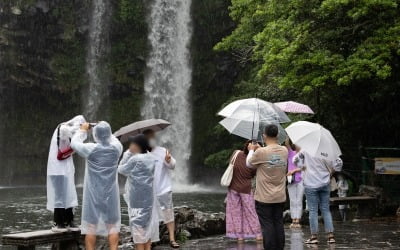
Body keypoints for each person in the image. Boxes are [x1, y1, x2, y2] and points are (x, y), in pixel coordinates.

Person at [71, 121, 123, 250]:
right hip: (111, 195)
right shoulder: (117, 148)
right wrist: (104, 126)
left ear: (96, 135)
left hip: (93, 195)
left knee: (91, 227)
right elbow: (113, 138)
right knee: (112, 226)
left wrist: (82, 130)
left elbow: (74, 144)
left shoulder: (91, 149)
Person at [246, 124, 288, 250]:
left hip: (264, 198)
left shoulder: (261, 152)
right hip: (280, 196)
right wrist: (259, 150)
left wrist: (251, 150)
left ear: (264, 136)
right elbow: (271, 156)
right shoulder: (284, 151)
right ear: (277, 135)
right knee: (278, 223)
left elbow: (248, 164)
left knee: (267, 225)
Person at [118, 134, 160, 250]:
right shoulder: (152, 158)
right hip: (148, 198)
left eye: (132, 144)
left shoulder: (134, 159)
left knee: (138, 229)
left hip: (136, 199)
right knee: (147, 228)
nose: (130, 146)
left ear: (138, 146)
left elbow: (121, 169)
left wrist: (126, 155)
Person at [293, 151, 343, 244]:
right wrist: (331, 172)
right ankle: (330, 236)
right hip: (325, 183)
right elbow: (339, 163)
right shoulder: (328, 150)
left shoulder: (306, 150)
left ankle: (314, 237)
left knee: (313, 210)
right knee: (325, 209)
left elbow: (295, 160)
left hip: (310, 183)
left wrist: (302, 167)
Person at [46, 115, 86, 232]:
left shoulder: (69, 131)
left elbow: (74, 143)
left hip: (66, 169)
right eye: (79, 125)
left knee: (69, 194)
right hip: (57, 169)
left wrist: (82, 131)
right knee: (59, 196)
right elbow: (73, 138)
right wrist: (82, 130)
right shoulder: (62, 128)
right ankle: (58, 223)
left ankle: (69, 221)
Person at [143, 129, 179, 248]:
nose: (151, 139)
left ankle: (172, 239)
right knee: (148, 216)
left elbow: (173, 165)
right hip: (148, 191)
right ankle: (150, 240)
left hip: (163, 188)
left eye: (152, 136)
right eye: (149, 137)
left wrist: (168, 160)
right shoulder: (141, 153)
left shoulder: (162, 151)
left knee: (168, 213)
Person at [226, 140, 263, 243]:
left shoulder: (236, 153)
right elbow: (253, 174)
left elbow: (230, 165)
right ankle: (258, 235)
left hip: (233, 187)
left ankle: (240, 237)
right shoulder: (254, 161)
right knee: (251, 212)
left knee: (235, 213)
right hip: (246, 188)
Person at [285, 138, 304, 229]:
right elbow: (287, 144)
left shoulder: (303, 155)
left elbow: (305, 167)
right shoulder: (291, 153)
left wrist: (295, 170)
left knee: (299, 200)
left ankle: (298, 219)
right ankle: (293, 219)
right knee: (292, 200)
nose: (297, 145)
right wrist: (288, 136)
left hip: (301, 179)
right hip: (291, 180)